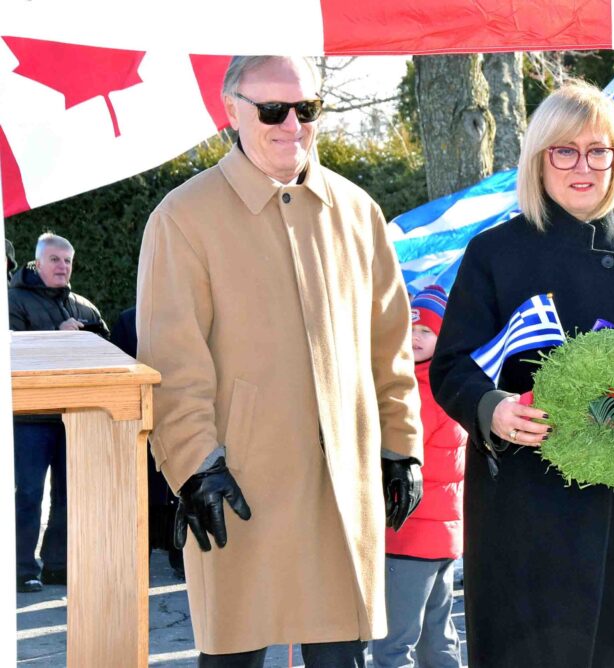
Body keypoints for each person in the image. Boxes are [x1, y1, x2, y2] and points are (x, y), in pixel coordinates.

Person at [136, 56, 423, 666]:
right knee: (234, 655)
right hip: (240, 487)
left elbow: (388, 345)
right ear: (231, 111)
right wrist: (195, 467)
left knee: (341, 657)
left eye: (306, 109)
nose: (291, 123)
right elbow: (172, 361)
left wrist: (402, 446)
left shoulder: (357, 211)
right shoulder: (183, 218)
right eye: (272, 110)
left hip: (343, 487)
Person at [430, 80, 614, 667]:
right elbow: (452, 366)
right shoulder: (494, 253)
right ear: (538, 158)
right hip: (526, 519)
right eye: (565, 150)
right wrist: (492, 409)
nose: (584, 166)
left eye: (599, 150)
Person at [372, 286, 467, 668]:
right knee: (435, 637)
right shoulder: (451, 382)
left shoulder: (419, 391)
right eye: (409, 328)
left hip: (409, 534)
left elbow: (395, 445)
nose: (414, 337)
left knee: (394, 645)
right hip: (439, 537)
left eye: (426, 330)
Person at [9, 232, 109, 593]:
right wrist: (57, 333)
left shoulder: (84, 307)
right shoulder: (11, 301)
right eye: (55, 259)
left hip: (74, 416)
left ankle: (56, 564)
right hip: (29, 418)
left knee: (69, 494)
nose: (63, 266)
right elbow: (12, 355)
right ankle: (20, 568)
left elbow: (109, 354)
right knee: (29, 494)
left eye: (67, 260)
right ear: (37, 263)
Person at [109, 306, 185, 581]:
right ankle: (138, 563)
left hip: (179, 419)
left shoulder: (185, 317)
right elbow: (117, 374)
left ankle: (181, 558)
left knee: (180, 491)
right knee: (144, 496)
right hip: (140, 422)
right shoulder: (129, 320)